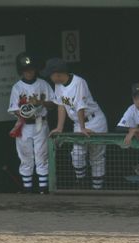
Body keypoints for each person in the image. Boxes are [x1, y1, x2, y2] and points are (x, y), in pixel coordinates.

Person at [44, 58, 108, 190]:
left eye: (51, 74)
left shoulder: (79, 82)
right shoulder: (58, 85)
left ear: (57, 73)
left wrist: (83, 128)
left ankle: (97, 191)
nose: (50, 77)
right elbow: (61, 105)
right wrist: (59, 127)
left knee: (96, 157)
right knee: (77, 154)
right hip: (79, 122)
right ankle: (82, 185)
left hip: (94, 121)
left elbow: (80, 106)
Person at [7, 52, 55, 194]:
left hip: (40, 122)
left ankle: (43, 190)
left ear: (35, 69)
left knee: (42, 155)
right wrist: (25, 112)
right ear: (21, 71)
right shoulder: (17, 87)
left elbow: (53, 104)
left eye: (31, 69)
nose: (28, 72)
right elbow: (13, 109)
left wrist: (39, 103)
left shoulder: (43, 84)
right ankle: (27, 190)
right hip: (24, 125)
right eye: (25, 70)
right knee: (25, 156)